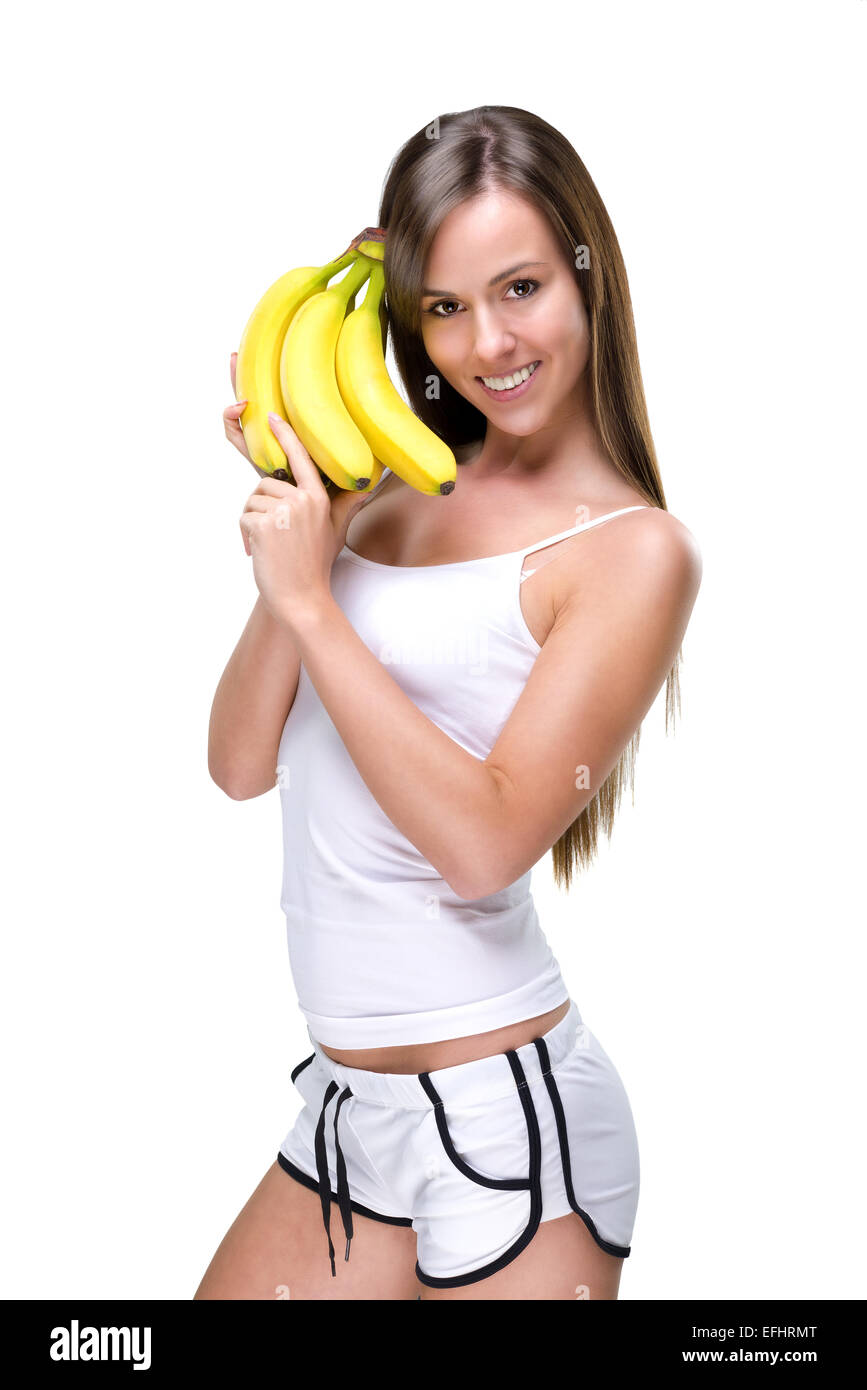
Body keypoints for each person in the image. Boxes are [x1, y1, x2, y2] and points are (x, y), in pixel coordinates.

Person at [195, 105, 702, 1302]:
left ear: (588, 274)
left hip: (513, 1127)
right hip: (344, 1114)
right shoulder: (389, 487)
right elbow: (235, 763)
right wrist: (305, 536)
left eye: (522, 286)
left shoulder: (634, 553)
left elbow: (484, 842)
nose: (489, 342)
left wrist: (318, 608)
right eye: (447, 305)